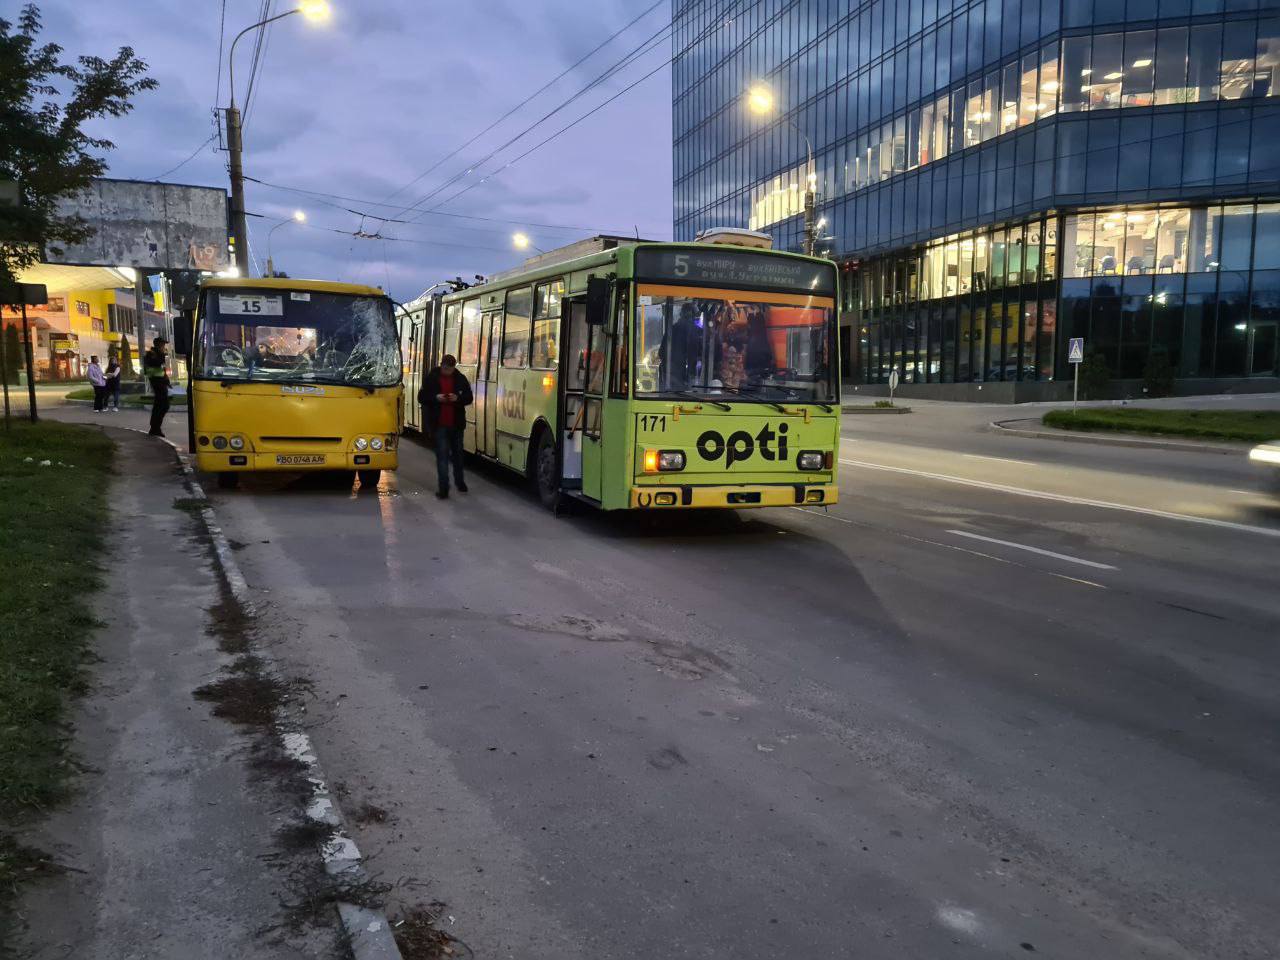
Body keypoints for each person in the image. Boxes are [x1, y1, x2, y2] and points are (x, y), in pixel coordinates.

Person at [417, 353, 472, 498]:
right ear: (441, 365)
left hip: (456, 425)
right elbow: (421, 397)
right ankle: (444, 488)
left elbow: (469, 397)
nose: (447, 371)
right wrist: (436, 398)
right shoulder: (432, 378)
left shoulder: (460, 378)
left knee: (458, 455)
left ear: (454, 367)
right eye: (445, 368)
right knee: (442, 457)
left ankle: (459, 482)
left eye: (450, 369)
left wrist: (457, 398)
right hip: (439, 425)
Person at [143, 336, 171, 437]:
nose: (164, 346)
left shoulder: (158, 354)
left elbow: (162, 368)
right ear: (159, 345)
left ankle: (155, 427)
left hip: (161, 381)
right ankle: (155, 428)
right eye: (163, 344)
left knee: (161, 405)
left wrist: (166, 380)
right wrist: (162, 355)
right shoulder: (152, 354)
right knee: (162, 405)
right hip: (156, 382)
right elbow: (156, 364)